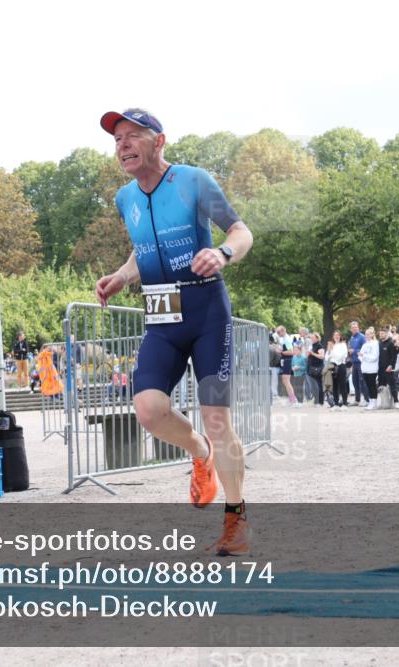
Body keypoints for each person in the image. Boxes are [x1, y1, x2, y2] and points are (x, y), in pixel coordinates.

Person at [94, 108, 254, 556]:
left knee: (218, 417)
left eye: (132, 136)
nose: (123, 145)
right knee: (148, 409)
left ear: (158, 141)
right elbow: (142, 248)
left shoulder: (192, 181)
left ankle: (236, 519)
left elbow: (242, 231)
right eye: (117, 138)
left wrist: (222, 253)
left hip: (206, 311)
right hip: (162, 315)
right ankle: (199, 452)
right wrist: (123, 277)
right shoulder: (125, 198)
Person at [276, 325, 299, 406]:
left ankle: (293, 399)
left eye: (278, 332)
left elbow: (291, 351)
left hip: (287, 361)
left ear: (283, 331)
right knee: (285, 380)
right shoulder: (285, 339)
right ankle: (292, 398)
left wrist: (281, 352)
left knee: (286, 380)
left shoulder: (287, 339)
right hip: (285, 361)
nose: (277, 334)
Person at [347, 321, 368, 405]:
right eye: (353, 328)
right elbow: (350, 349)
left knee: (362, 381)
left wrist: (354, 351)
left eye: (356, 327)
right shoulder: (351, 337)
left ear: (358, 328)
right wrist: (349, 352)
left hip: (361, 362)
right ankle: (357, 399)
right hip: (354, 362)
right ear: (350, 329)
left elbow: (365, 349)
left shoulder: (362, 337)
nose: (355, 329)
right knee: (354, 381)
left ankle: (367, 400)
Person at [377, 327, 399, 407]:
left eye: (382, 333)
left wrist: (391, 366)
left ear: (386, 333)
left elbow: (394, 356)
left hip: (389, 368)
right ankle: (383, 403)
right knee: (381, 386)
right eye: (380, 334)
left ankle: (396, 402)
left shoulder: (391, 343)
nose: (381, 335)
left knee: (392, 386)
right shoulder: (379, 343)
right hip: (380, 369)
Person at [329, 330, 350, 409]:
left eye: (338, 335)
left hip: (341, 366)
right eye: (335, 335)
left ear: (340, 336)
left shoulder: (343, 345)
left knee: (343, 385)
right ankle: (336, 403)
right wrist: (331, 351)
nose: (336, 336)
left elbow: (342, 356)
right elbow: (328, 357)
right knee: (334, 385)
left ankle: (344, 403)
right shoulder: (332, 345)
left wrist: (333, 354)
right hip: (333, 366)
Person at [360, 327, 380, 410]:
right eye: (366, 334)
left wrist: (364, 356)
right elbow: (360, 356)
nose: (366, 336)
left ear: (372, 334)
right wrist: (363, 357)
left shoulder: (375, 344)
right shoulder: (364, 344)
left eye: (368, 334)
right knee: (368, 385)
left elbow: (374, 357)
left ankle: (374, 402)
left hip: (372, 368)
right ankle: (370, 401)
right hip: (365, 368)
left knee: (372, 385)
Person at [306, 332, 325, 406]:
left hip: (318, 368)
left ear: (317, 338)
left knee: (318, 385)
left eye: (313, 338)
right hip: (311, 367)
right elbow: (308, 355)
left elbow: (322, 356)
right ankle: (316, 400)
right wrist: (308, 353)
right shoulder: (311, 345)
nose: (312, 339)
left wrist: (312, 353)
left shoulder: (319, 346)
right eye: (311, 338)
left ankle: (320, 401)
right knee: (313, 385)